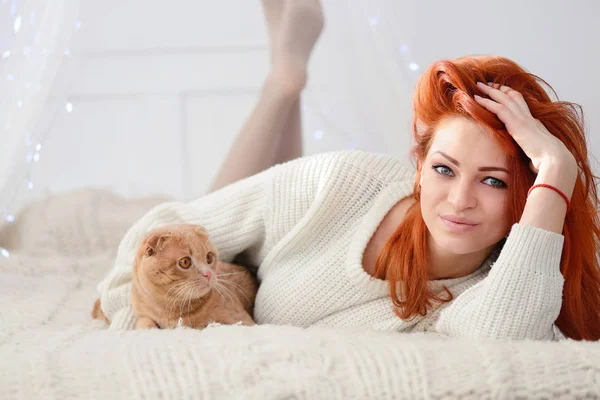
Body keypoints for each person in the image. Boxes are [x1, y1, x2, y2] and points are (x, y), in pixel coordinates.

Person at [97, 0, 600, 341]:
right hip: (256, 257)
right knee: (219, 212)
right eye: (445, 169)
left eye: (494, 181)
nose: (460, 200)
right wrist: (129, 312)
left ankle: (284, 70)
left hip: (255, 290)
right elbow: (163, 225)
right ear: (419, 167)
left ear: (531, 195)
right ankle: (284, 79)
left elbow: (505, 340)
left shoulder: (495, 289)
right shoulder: (343, 182)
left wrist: (556, 168)